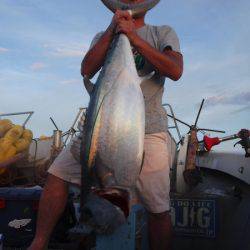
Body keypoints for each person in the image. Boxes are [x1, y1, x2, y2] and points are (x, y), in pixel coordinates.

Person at [28, 1, 183, 249]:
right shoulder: (103, 36)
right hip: (100, 128)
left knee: (158, 209)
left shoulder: (161, 32)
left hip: (149, 130)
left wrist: (133, 37)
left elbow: (175, 70)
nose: (130, 1)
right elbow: (87, 69)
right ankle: (38, 243)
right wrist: (115, 29)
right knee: (57, 175)